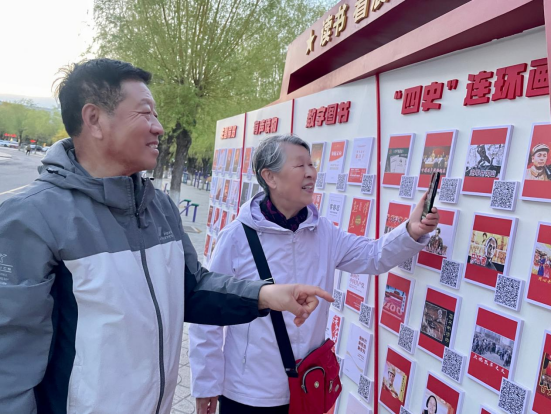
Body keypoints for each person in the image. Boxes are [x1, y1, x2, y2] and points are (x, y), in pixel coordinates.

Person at [0, 59, 333, 414]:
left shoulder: (159, 207)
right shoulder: (31, 217)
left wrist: (264, 295)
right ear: (94, 119)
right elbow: (10, 361)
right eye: (145, 113)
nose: (158, 127)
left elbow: (190, 288)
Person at [189, 134, 439, 414]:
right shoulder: (237, 236)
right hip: (249, 393)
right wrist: (206, 383)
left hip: (309, 385)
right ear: (270, 177)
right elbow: (208, 313)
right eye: (300, 165)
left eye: (312, 164)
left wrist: (412, 231)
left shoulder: (324, 232)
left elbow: (373, 256)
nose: (311, 173)